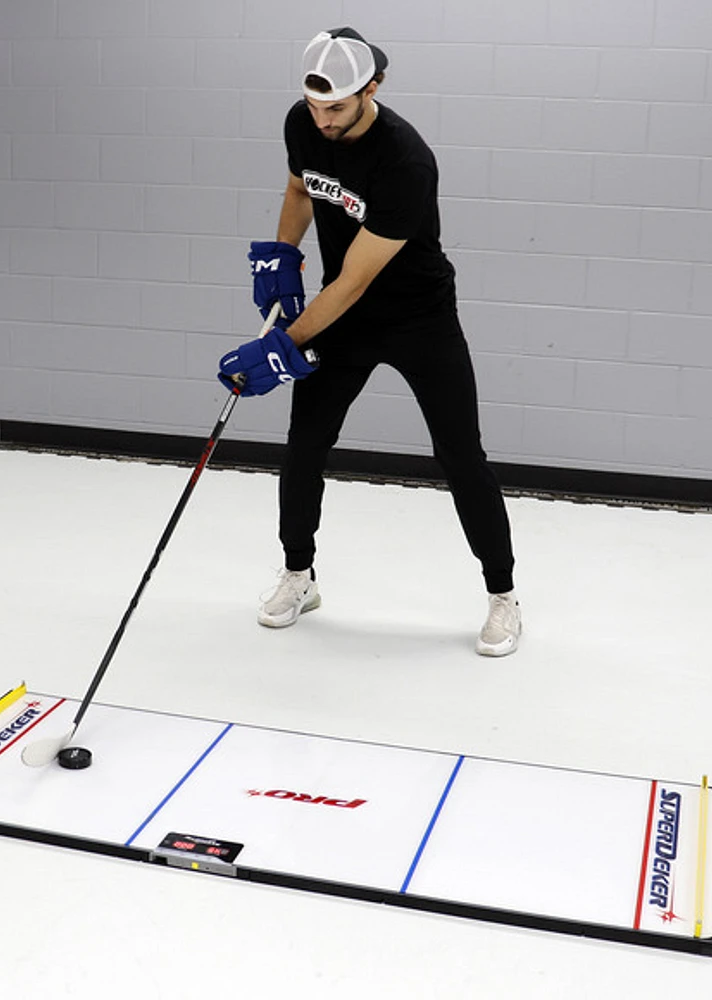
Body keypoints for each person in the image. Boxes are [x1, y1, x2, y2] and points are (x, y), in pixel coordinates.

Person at [218, 27, 521, 656]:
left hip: (417, 316)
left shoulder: (406, 161)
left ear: (370, 89)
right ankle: (299, 576)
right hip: (344, 316)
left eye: (335, 107)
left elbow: (356, 281)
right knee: (304, 445)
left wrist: (281, 344)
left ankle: (502, 596)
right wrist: (282, 253)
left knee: (461, 455)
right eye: (312, 105)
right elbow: (303, 185)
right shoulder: (303, 124)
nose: (321, 119)